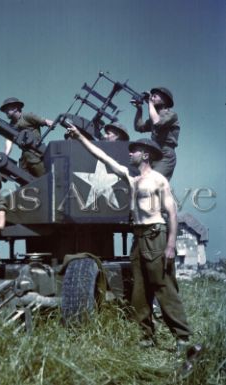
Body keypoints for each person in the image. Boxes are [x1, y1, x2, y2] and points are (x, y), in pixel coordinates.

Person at [66, 123, 192, 350]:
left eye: (134, 151)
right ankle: (146, 336)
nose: (129, 153)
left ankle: (183, 339)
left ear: (145, 155)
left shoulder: (157, 180)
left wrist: (171, 244)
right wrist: (79, 138)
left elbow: (172, 212)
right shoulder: (132, 178)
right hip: (139, 238)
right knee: (139, 291)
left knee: (163, 287)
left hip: (155, 235)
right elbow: (103, 156)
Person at [132, 87, 180, 180]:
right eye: (151, 97)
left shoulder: (171, 115)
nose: (152, 98)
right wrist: (139, 110)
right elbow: (139, 127)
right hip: (154, 152)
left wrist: (150, 103)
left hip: (166, 154)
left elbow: (157, 122)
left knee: (152, 182)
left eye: (154, 96)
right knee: (140, 180)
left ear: (165, 100)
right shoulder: (154, 115)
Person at [0, 97, 53, 177]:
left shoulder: (27, 116)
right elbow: (9, 141)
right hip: (25, 155)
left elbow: (48, 122)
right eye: (4, 110)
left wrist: (49, 123)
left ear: (15, 108)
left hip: (36, 152)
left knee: (44, 176)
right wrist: (5, 156)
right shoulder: (11, 126)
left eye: (7, 108)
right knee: (21, 173)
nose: (5, 112)